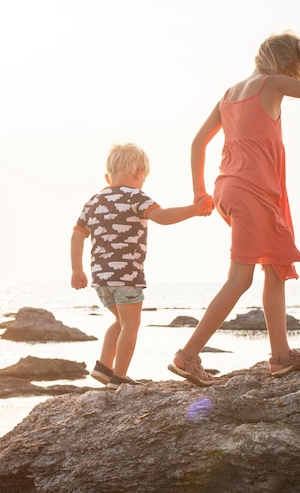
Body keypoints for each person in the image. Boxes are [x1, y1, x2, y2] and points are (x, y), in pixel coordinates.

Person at [168, 32, 300, 386]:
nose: (299, 72)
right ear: (288, 62)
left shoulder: (230, 94)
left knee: (274, 267)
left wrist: (200, 192)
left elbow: (198, 141)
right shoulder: (272, 84)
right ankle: (187, 356)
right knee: (239, 279)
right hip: (253, 193)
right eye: (299, 64)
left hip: (228, 188)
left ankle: (281, 357)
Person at [72, 142, 212, 389]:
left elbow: (77, 235)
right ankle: (120, 376)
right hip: (126, 276)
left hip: (101, 279)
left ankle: (104, 367)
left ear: (108, 175)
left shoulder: (93, 201)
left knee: (119, 321)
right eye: (144, 178)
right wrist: (195, 209)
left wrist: (77, 269)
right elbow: (164, 217)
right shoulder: (136, 196)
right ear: (139, 172)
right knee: (130, 325)